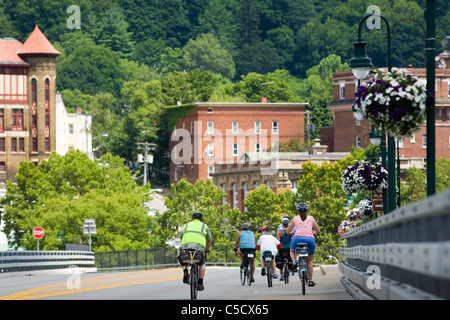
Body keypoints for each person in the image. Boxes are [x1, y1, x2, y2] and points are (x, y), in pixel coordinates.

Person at [287, 202, 320, 287]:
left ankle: (294, 261)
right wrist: (314, 233)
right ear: (307, 211)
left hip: (297, 238)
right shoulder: (311, 218)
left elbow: (288, 231)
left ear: (298, 211)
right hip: (310, 239)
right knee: (309, 261)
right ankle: (311, 280)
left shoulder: (295, 219)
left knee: (291, 250)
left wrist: (291, 233)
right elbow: (318, 231)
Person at [179, 211, 211, 291]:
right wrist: (207, 249)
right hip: (199, 247)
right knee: (202, 263)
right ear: (201, 218)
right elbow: (209, 240)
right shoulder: (204, 226)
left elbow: (181, 237)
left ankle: (185, 270)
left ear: (192, 218)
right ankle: (200, 282)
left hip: (186, 246)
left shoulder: (186, 225)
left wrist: (183, 247)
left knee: (183, 258)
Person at [276, 216, 294, 280]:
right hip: (289, 248)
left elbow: (278, 240)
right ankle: (289, 269)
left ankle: (281, 275)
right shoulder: (291, 231)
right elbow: (294, 238)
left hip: (282, 248)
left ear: (282, 224)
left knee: (281, 260)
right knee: (290, 258)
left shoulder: (280, 231)